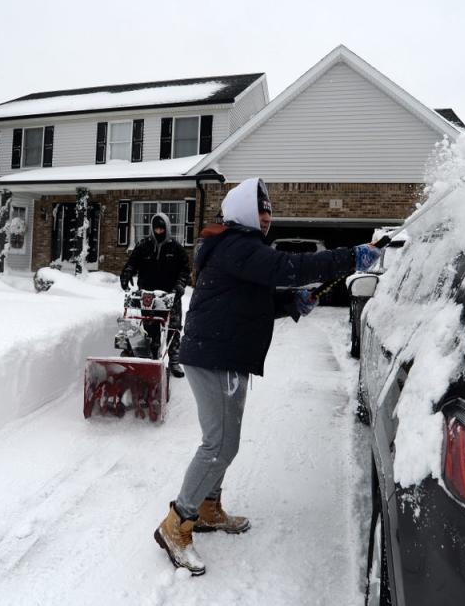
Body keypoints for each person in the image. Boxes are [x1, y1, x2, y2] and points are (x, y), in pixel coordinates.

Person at [153, 177, 380, 576]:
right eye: (259, 210)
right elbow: (290, 267)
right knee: (219, 445)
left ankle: (207, 508)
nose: (265, 218)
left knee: (224, 442)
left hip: (225, 354)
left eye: (269, 211)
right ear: (241, 211)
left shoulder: (234, 247)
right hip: (216, 357)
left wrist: (291, 301)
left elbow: (250, 299)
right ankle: (177, 523)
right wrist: (351, 257)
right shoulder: (237, 244)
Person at [120, 212, 192, 378]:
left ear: (167, 228)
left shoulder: (176, 248)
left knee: (173, 327)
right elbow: (132, 263)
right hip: (148, 295)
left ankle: (174, 359)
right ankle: (152, 357)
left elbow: (185, 270)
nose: (159, 231)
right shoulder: (143, 245)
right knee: (150, 326)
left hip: (170, 295)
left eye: (162, 228)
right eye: (156, 228)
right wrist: (127, 273)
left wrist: (180, 285)